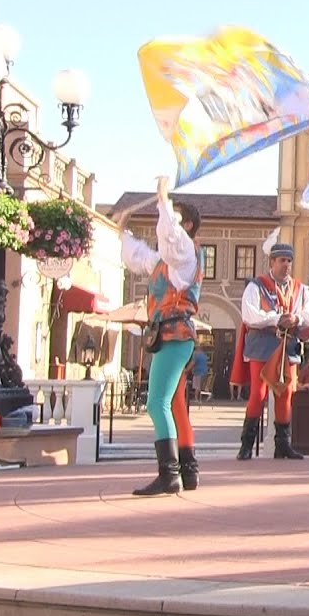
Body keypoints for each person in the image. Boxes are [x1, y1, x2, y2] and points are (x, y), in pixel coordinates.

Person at [118, 176, 203, 496]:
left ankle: (169, 474)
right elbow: (138, 256)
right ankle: (188, 471)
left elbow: (169, 235)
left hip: (175, 335)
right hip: (169, 337)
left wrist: (163, 199)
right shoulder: (167, 263)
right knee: (174, 404)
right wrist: (123, 231)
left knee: (157, 404)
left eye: (177, 218)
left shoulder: (184, 256)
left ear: (188, 225)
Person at [233, 240, 309, 460]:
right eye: (282, 260)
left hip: (287, 345)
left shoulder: (300, 289)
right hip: (262, 344)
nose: (286, 265)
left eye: (289, 261)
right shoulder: (256, 286)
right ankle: (246, 445)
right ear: (272, 262)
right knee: (258, 394)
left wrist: (296, 317)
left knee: (285, 394)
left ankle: (283, 445)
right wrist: (277, 318)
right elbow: (249, 315)